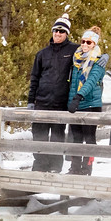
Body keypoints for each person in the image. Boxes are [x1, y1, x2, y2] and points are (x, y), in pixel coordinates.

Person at [26, 15, 78, 171]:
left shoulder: (73, 50)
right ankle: (40, 166)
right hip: (41, 101)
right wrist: (31, 100)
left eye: (61, 31)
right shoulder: (43, 53)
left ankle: (55, 166)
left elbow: (90, 52)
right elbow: (34, 77)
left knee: (57, 136)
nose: (58, 34)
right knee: (39, 135)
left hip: (60, 103)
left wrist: (102, 56)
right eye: (56, 30)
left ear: (66, 33)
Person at [66, 26, 108, 175]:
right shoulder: (76, 59)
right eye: (83, 41)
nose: (84, 45)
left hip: (90, 104)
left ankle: (87, 168)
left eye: (88, 43)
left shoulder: (98, 62)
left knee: (89, 138)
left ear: (94, 45)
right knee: (76, 138)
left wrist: (78, 97)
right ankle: (75, 167)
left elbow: (90, 82)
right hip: (75, 104)